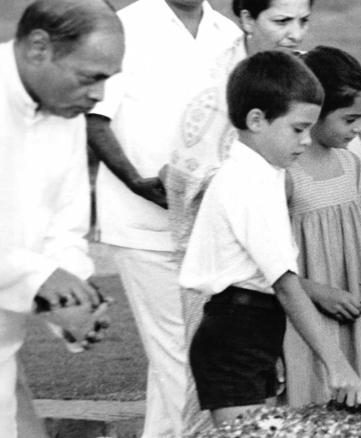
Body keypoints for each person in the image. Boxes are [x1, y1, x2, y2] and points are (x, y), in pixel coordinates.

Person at [179, 50, 361, 426]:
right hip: (234, 331)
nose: (305, 140)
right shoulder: (246, 182)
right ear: (256, 120)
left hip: (255, 326)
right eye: (298, 129)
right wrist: (338, 366)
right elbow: (286, 285)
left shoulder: (267, 173)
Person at [85, 1, 241, 436]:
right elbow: (94, 119)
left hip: (203, 222)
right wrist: (136, 181)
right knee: (180, 358)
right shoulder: (126, 26)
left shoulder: (226, 33)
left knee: (173, 359)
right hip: (140, 222)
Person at [164, 1, 315, 432]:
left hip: (282, 264)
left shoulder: (303, 77)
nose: (296, 34)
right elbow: (184, 179)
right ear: (247, 20)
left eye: (304, 21)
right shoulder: (217, 89)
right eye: (281, 21)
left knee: (274, 401)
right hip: (222, 267)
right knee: (211, 405)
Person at [0, 0, 123, 436]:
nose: (99, 96)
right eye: (90, 77)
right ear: (38, 48)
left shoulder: (65, 109)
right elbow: (38, 269)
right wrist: (40, 276)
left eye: (107, 79)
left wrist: (71, 303)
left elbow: (65, 226)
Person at [281, 46, 361, 408]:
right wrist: (319, 293)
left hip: (356, 319)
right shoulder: (286, 174)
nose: (360, 129)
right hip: (306, 319)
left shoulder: (351, 165)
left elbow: (350, 245)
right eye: (350, 119)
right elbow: (264, 263)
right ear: (315, 111)